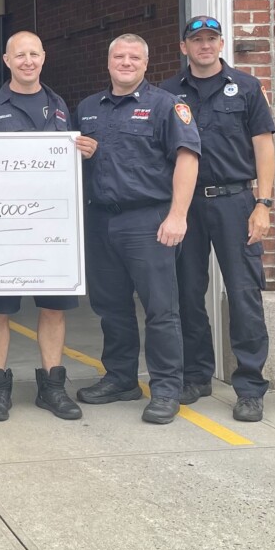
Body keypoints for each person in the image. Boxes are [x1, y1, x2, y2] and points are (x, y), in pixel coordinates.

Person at [0, 31, 96, 423]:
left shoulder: (60, 108)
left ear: (44, 58)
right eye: (19, 55)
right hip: (1, 228)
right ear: (6, 61)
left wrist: (85, 153)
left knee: (54, 309)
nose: (27, 61)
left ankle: (52, 388)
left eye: (34, 54)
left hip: (51, 228)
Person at [75, 33, 201, 425]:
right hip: (100, 220)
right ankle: (120, 378)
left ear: (146, 64)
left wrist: (177, 215)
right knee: (110, 307)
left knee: (161, 310)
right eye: (119, 56)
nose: (125, 62)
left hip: (149, 221)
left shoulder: (167, 105)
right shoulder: (88, 108)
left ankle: (165, 389)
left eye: (134, 57)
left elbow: (188, 158)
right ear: (108, 61)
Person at [160, 16, 275, 423]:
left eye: (211, 39)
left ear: (222, 43)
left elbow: (263, 145)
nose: (205, 46)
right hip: (186, 205)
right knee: (187, 293)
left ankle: (249, 386)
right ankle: (196, 375)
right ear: (184, 47)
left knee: (244, 294)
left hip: (235, 202)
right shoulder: (168, 92)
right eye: (197, 40)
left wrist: (263, 202)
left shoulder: (246, 87)